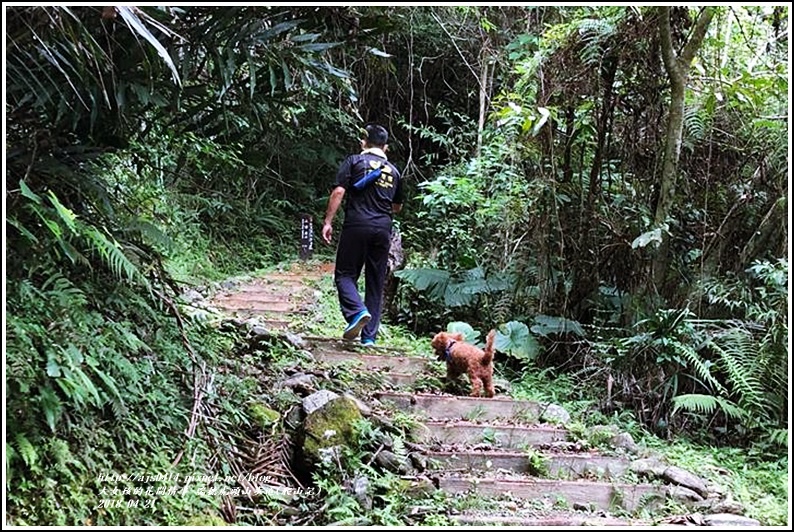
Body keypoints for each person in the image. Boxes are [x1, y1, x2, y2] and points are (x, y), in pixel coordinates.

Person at [321, 124, 403, 345]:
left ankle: (357, 311)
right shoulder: (393, 171)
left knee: (345, 274)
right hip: (383, 229)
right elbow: (397, 207)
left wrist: (328, 221)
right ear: (385, 147)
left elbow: (339, 191)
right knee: (376, 281)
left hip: (357, 225)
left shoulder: (354, 162)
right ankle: (369, 338)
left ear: (363, 143)